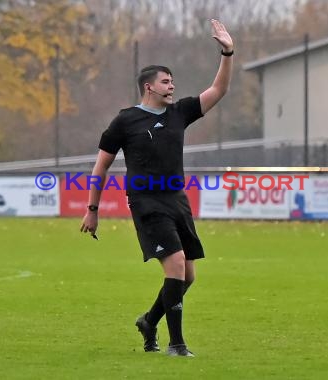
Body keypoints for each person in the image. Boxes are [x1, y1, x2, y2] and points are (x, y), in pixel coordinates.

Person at [80, 19, 233, 357]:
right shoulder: (125, 120)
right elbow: (101, 165)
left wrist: (227, 52)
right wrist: (92, 210)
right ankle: (176, 345)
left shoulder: (179, 113)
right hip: (146, 202)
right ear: (149, 87)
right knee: (176, 264)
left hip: (177, 200)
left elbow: (218, 90)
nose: (171, 87)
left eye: (172, 82)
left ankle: (149, 321)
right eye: (165, 82)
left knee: (188, 276)